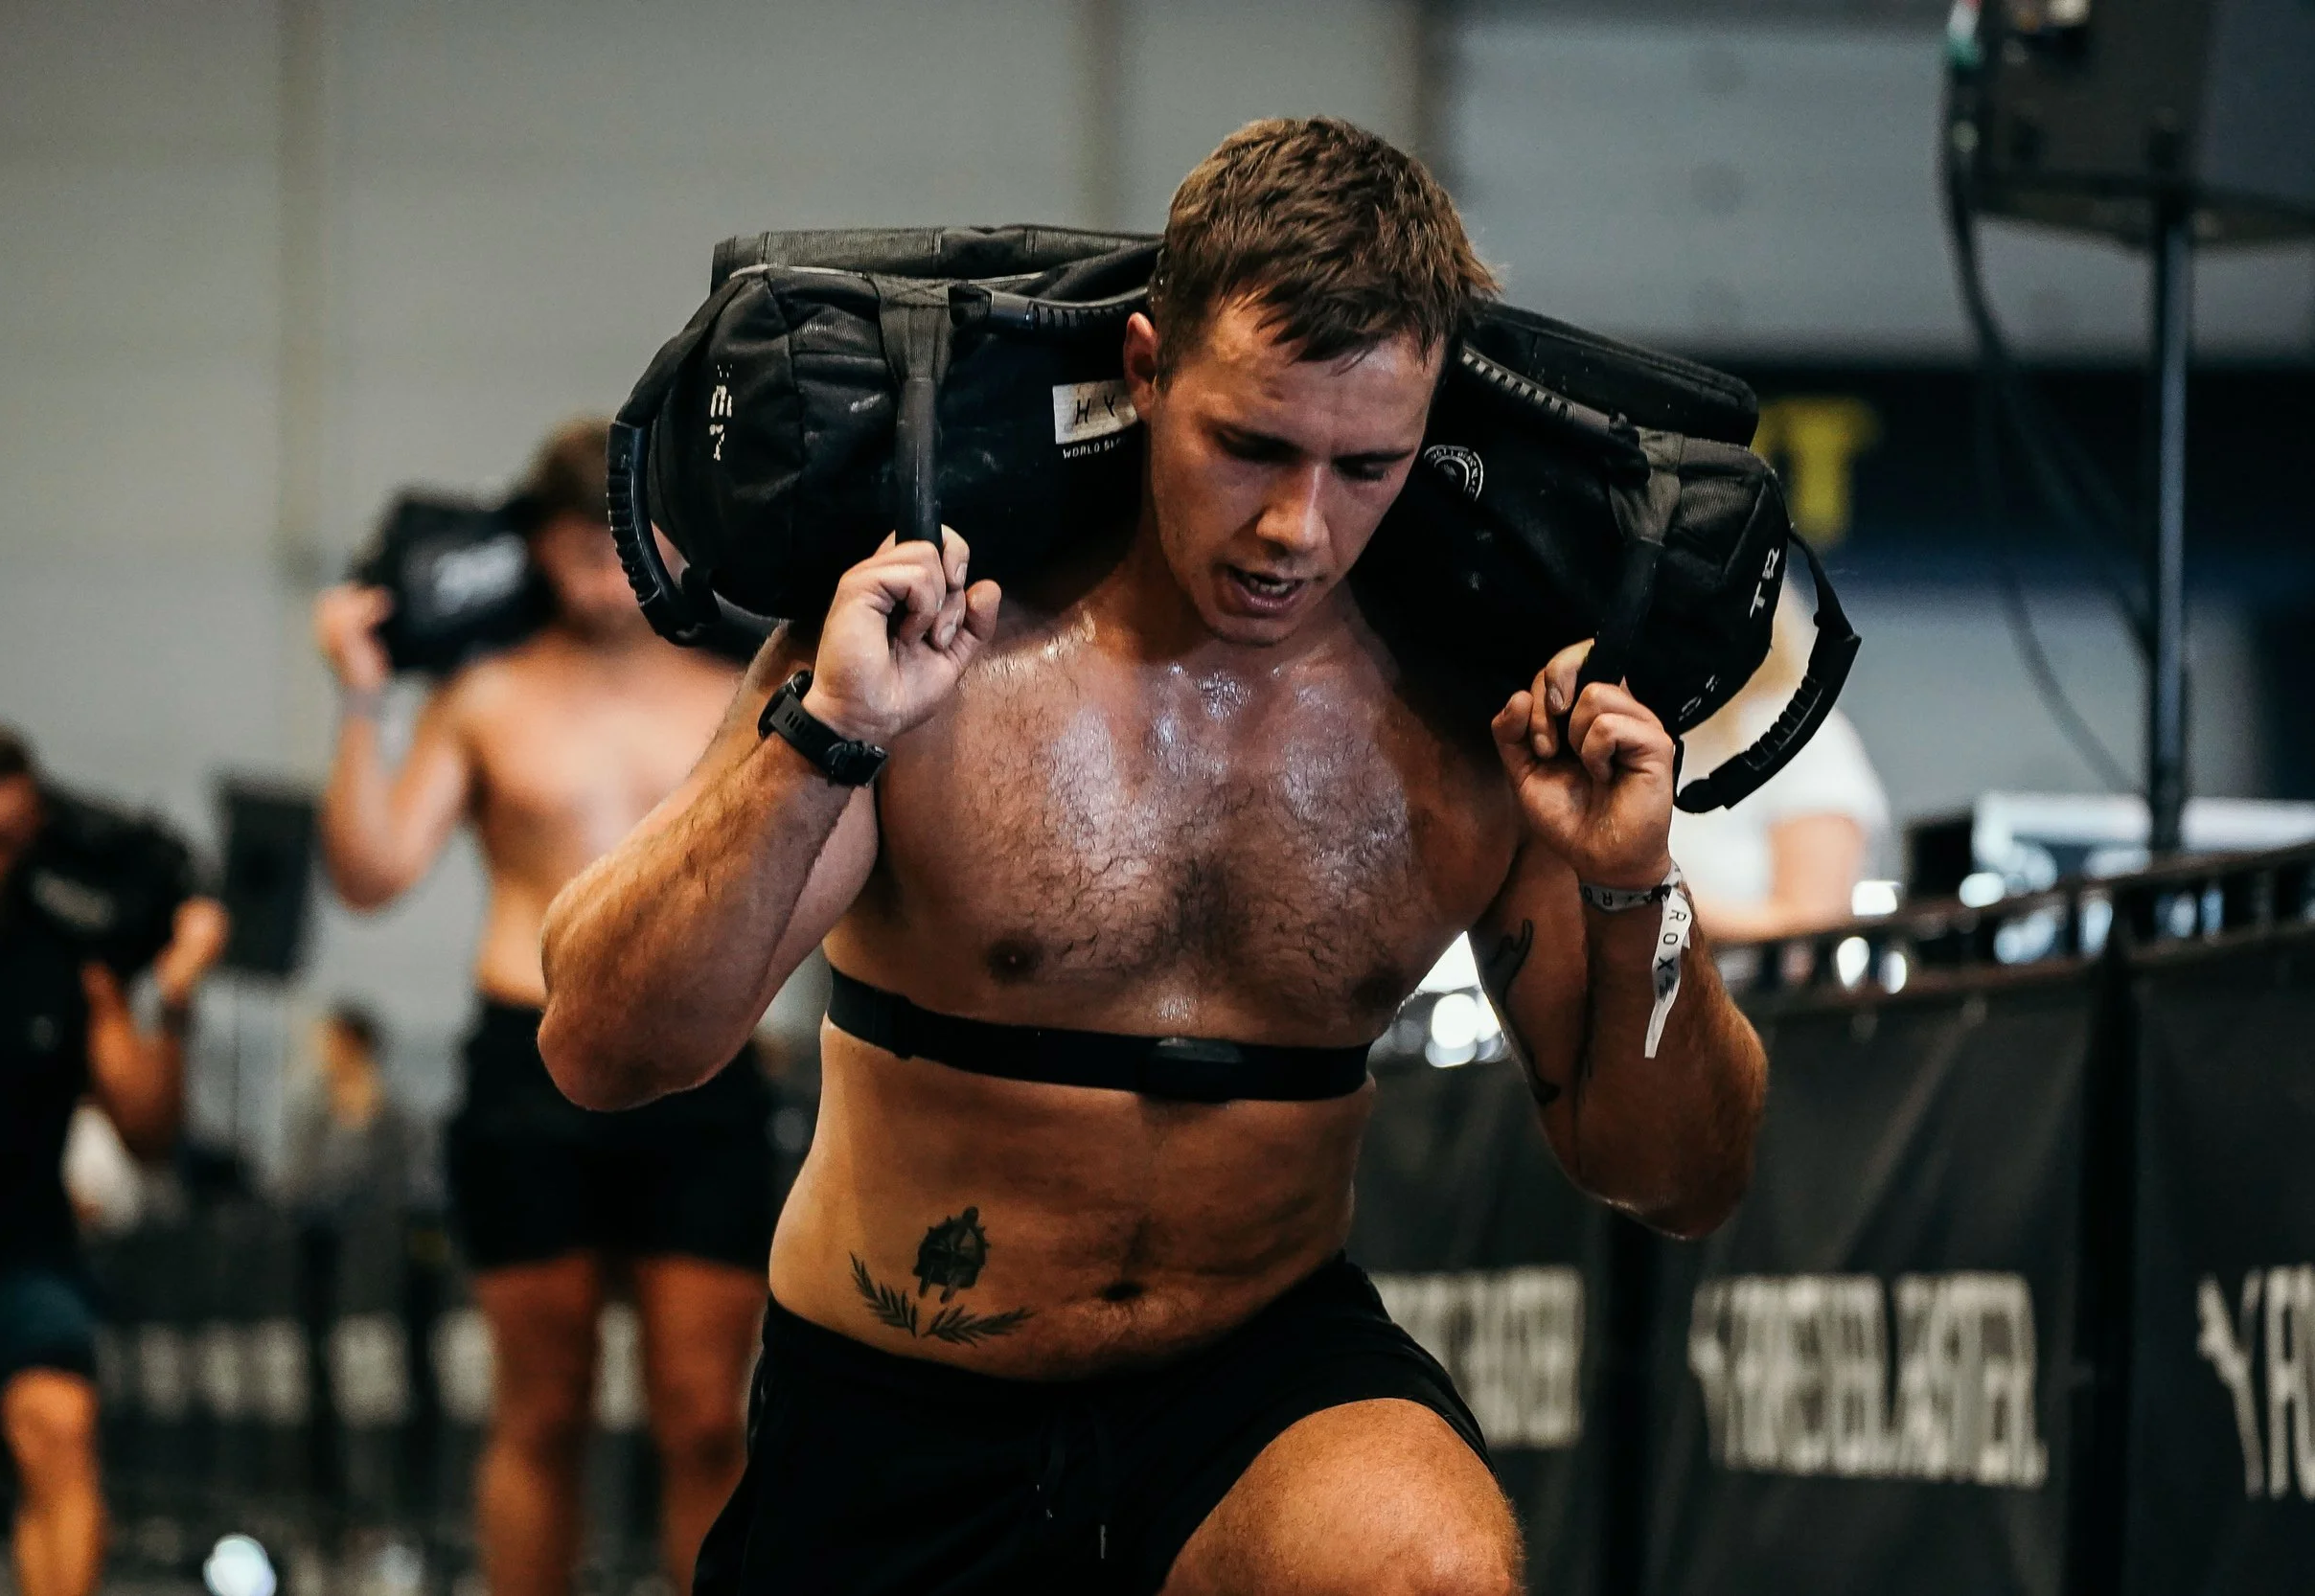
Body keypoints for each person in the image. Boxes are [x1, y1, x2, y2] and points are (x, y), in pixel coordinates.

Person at [539, 117, 1769, 1595]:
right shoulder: (930, 636)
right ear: (1143, 370)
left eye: (1363, 464)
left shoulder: (1488, 722)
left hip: (1252, 1385)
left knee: (1425, 1571)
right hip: (901, 1397)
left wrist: (1637, 886)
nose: (1293, 527)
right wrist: (826, 738)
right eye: (1247, 443)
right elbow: (602, 1045)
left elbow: (1679, 1178)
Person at [312, 420, 774, 1596]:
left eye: (618, 540)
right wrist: (361, 702)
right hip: (526, 1063)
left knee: (701, 1413)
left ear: (666, 540)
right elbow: (371, 875)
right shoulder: (482, 696)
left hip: (699, 1064)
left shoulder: (741, 690)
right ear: (535, 547)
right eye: (571, 544)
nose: (596, 569)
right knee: (542, 1408)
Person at [0, 719, 228, 1596]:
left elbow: (149, 1135)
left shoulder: (70, 949)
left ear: (33, 830)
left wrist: (170, 1006)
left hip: (19, 1259)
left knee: (59, 1424)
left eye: (1, 838)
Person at [1666, 584, 1890, 943]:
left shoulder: (1801, 733)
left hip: (1753, 995)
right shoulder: (1658, 734)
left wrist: (1649, 903)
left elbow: (1811, 929)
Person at [279, 1003, 416, 1225]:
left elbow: (401, 1182)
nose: (321, 1055)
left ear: (350, 1045)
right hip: (316, 1230)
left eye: (328, 1044)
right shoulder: (314, 1109)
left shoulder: (392, 1117)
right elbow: (298, 1179)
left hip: (373, 1233)